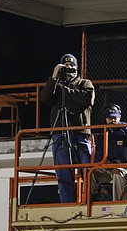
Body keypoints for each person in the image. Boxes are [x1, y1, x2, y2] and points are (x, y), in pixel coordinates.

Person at [39, 53, 95, 203]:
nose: (69, 68)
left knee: (87, 169)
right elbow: (44, 98)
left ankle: (89, 200)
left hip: (80, 132)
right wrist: (54, 78)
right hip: (60, 133)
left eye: (72, 65)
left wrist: (66, 90)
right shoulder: (56, 85)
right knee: (63, 172)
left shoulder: (85, 83)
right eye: (66, 66)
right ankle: (67, 203)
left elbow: (87, 99)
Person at [91, 104, 127, 201]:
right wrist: (107, 164)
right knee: (90, 171)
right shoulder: (102, 135)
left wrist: (123, 165)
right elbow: (98, 158)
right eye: (109, 118)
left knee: (117, 173)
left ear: (119, 117)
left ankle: (117, 205)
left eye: (115, 117)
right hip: (109, 168)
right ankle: (90, 202)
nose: (112, 120)